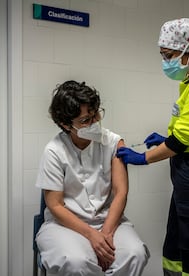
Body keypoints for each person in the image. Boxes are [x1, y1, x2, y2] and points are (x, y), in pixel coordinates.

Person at [116, 18, 189, 276]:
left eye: (168, 55)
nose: (165, 62)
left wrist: (142, 157)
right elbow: (187, 128)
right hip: (187, 170)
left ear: (188, 50)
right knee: (178, 244)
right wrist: (166, 137)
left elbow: (179, 142)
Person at [35, 80, 149, 276]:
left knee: (135, 253)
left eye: (95, 114)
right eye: (85, 120)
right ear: (65, 124)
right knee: (75, 262)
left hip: (108, 220)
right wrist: (91, 235)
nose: (95, 122)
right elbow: (54, 205)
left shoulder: (114, 142)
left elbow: (121, 193)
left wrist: (105, 234)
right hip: (65, 224)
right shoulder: (54, 151)